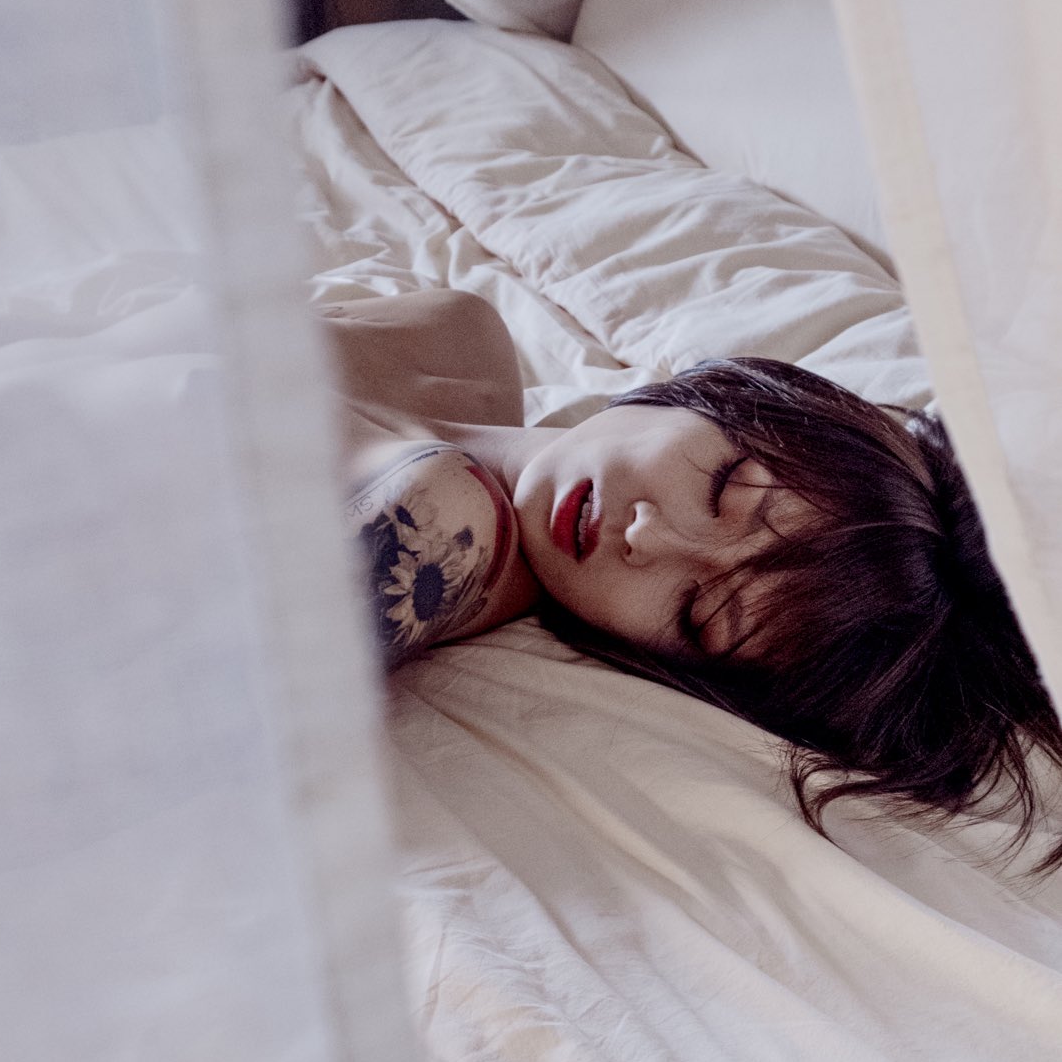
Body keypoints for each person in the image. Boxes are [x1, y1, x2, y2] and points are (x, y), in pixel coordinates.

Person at [326, 288, 1062, 868]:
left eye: (698, 613)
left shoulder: (436, 534)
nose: (646, 538)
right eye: (725, 488)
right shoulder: (463, 334)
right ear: (735, 399)